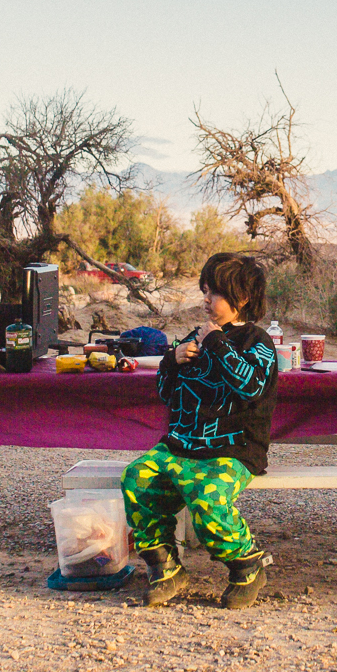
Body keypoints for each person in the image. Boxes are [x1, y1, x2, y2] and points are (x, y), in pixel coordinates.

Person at [122, 252, 278, 609]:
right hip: (181, 444)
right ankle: (165, 567)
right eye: (204, 291)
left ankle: (246, 564)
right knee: (136, 479)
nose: (206, 299)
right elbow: (167, 394)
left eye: (215, 293)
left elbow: (251, 387)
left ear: (241, 298)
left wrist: (217, 343)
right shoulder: (197, 336)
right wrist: (170, 362)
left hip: (232, 450)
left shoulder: (258, 342)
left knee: (206, 496)